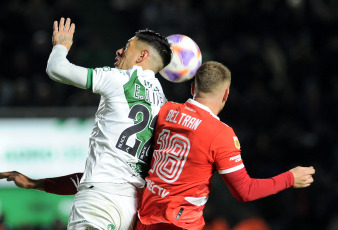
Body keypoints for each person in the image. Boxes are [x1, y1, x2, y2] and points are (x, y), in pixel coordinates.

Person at [1, 61, 315, 230]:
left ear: (192, 86)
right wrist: (291, 178)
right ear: (226, 95)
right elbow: (244, 191)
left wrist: (37, 183)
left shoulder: (164, 114)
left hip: (144, 222)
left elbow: (106, 176)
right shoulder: (221, 135)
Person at [0, 17, 172, 230]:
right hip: (130, 209)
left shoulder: (119, 79)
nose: (119, 51)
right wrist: (37, 184)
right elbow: (105, 174)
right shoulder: (165, 107)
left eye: (127, 46)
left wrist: (61, 46)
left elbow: (57, 69)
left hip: (98, 203)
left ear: (142, 55)